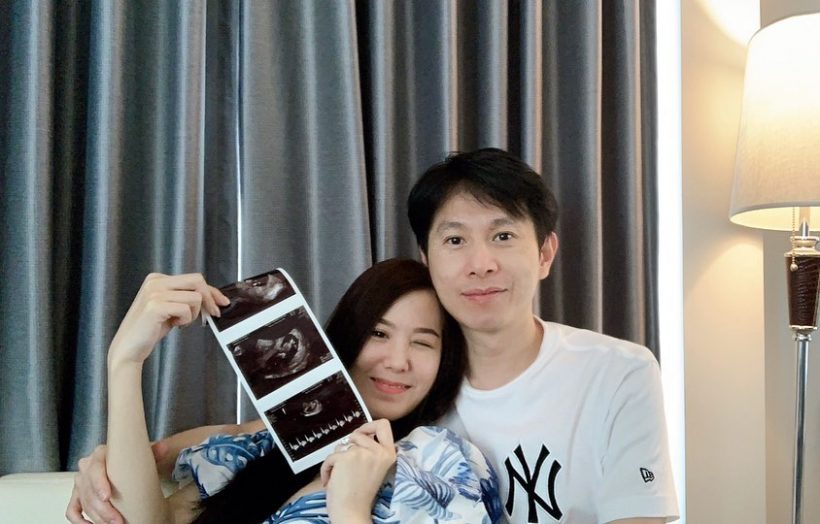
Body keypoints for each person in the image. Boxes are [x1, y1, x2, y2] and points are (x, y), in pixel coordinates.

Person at [69, 148, 679, 523]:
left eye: (503, 236)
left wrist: (351, 510)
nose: (481, 264)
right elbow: (234, 440)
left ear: (544, 253)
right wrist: (115, 439)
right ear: (429, 258)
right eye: (456, 239)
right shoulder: (379, 403)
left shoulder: (616, 373)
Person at [77, 258, 500, 523]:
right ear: (346, 338)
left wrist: (350, 509)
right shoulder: (264, 446)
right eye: (378, 333)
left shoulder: (441, 462)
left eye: (423, 342)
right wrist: (125, 362)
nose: (397, 360)